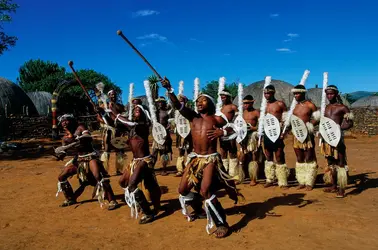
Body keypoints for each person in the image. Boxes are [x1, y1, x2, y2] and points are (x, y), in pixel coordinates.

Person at [162, 77, 243, 238]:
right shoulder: (193, 116)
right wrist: (170, 90)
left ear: (211, 104)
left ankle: (222, 224)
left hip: (210, 159)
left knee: (205, 190)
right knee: (182, 190)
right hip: (195, 159)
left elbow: (236, 130)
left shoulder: (216, 119)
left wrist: (223, 132)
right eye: (198, 100)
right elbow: (178, 105)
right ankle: (199, 209)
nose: (199, 102)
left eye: (203, 100)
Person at [55, 114, 119, 210]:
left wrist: (74, 137)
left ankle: (112, 200)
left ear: (71, 120)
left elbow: (88, 138)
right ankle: (70, 198)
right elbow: (64, 152)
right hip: (79, 160)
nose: (64, 123)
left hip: (90, 157)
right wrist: (60, 155)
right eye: (62, 121)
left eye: (66, 120)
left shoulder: (80, 127)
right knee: (61, 176)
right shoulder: (65, 138)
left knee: (98, 176)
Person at [115, 104, 162, 224]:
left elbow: (129, 123)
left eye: (139, 109)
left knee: (132, 185)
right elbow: (114, 122)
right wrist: (104, 113)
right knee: (123, 182)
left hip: (144, 162)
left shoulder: (143, 126)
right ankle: (143, 202)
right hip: (135, 162)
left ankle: (148, 213)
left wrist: (116, 114)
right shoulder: (131, 130)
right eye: (134, 109)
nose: (136, 110)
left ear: (144, 113)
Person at [320, 85, 354, 198]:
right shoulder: (324, 108)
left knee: (340, 164)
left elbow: (350, 123)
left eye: (332, 94)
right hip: (326, 140)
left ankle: (342, 188)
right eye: (328, 94)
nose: (329, 96)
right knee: (331, 164)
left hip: (338, 139)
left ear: (336, 94)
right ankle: (334, 186)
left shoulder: (342, 107)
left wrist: (339, 128)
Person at [287, 85, 320, 191]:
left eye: (297, 93)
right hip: (296, 136)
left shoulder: (310, 105)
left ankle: (309, 182)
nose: (296, 95)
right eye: (294, 94)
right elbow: (290, 121)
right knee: (299, 158)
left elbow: (317, 118)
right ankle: (301, 181)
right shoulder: (293, 107)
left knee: (309, 157)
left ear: (303, 93)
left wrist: (310, 125)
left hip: (307, 135)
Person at [262, 85, 289, 189]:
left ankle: (282, 180)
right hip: (267, 133)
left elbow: (286, 119)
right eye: (265, 93)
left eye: (268, 93)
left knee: (279, 155)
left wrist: (284, 132)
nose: (267, 95)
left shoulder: (280, 104)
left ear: (273, 93)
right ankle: (270, 179)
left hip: (277, 133)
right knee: (268, 156)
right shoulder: (263, 106)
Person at [97, 89, 126, 175]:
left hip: (118, 130)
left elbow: (123, 117)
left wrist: (123, 128)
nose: (113, 96)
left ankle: (119, 169)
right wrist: (105, 122)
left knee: (120, 149)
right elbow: (98, 117)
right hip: (108, 130)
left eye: (114, 94)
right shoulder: (103, 106)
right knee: (107, 149)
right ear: (108, 96)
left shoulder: (120, 106)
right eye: (111, 94)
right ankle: (105, 171)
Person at [217, 90, 241, 182]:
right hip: (221, 132)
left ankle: (233, 174)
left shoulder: (233, 107)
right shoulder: (219, 108)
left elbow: (238, 120)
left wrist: (231, 127)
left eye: (224, 96)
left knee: (232, 152)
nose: (222, 98)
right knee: (223, 153)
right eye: (221, 96)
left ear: (228, 97)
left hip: (231, 132)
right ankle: (224, 174)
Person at [238, 95, 261, 186]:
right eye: (244, 103)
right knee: (241, 156)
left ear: (252, 102)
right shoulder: (241, 113)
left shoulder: (256, 112)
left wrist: (253, 128)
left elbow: (261, 126)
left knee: (253, 156)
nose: (245, 105)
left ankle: (253, 178)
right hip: (242, 137)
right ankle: (241, 177)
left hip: (252, 136)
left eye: (247, 103)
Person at [151, 96, 173, 176]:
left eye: (161, 102)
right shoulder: (154, 112)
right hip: (156, 135)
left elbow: (170, 123)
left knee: (164, 153)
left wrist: (167, 129)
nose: (160, 104)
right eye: (158, 102)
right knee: (154, 153)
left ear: (164, 103)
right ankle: (151, 169)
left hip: (164, 135)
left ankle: (164, 169)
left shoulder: (167, 112)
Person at [174, 94, 193, 177]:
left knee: (189, 150)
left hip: (189, 132)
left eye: (182, 100)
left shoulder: (189, 110)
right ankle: (180, 169)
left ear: (185, 102)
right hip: (179, 132)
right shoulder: (176, 111)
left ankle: (188, 168)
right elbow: (175, 121)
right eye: (179, 101)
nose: (181, 102)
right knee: (181, 151)